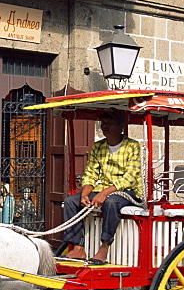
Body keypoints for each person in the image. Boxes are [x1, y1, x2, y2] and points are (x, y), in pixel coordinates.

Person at [62, 109, 144, 264]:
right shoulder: (98, 147)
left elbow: (130, 178)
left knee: (111, 202)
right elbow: (91, 173)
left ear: (121, 126)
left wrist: (105, 193)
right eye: (103, 123)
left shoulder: (132, 146)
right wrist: (85, 193)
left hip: (129, 192)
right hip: (104, 189)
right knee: (71, 201)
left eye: (110, 123)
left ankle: (104, 246)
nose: (105, 126)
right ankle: (78, 247)